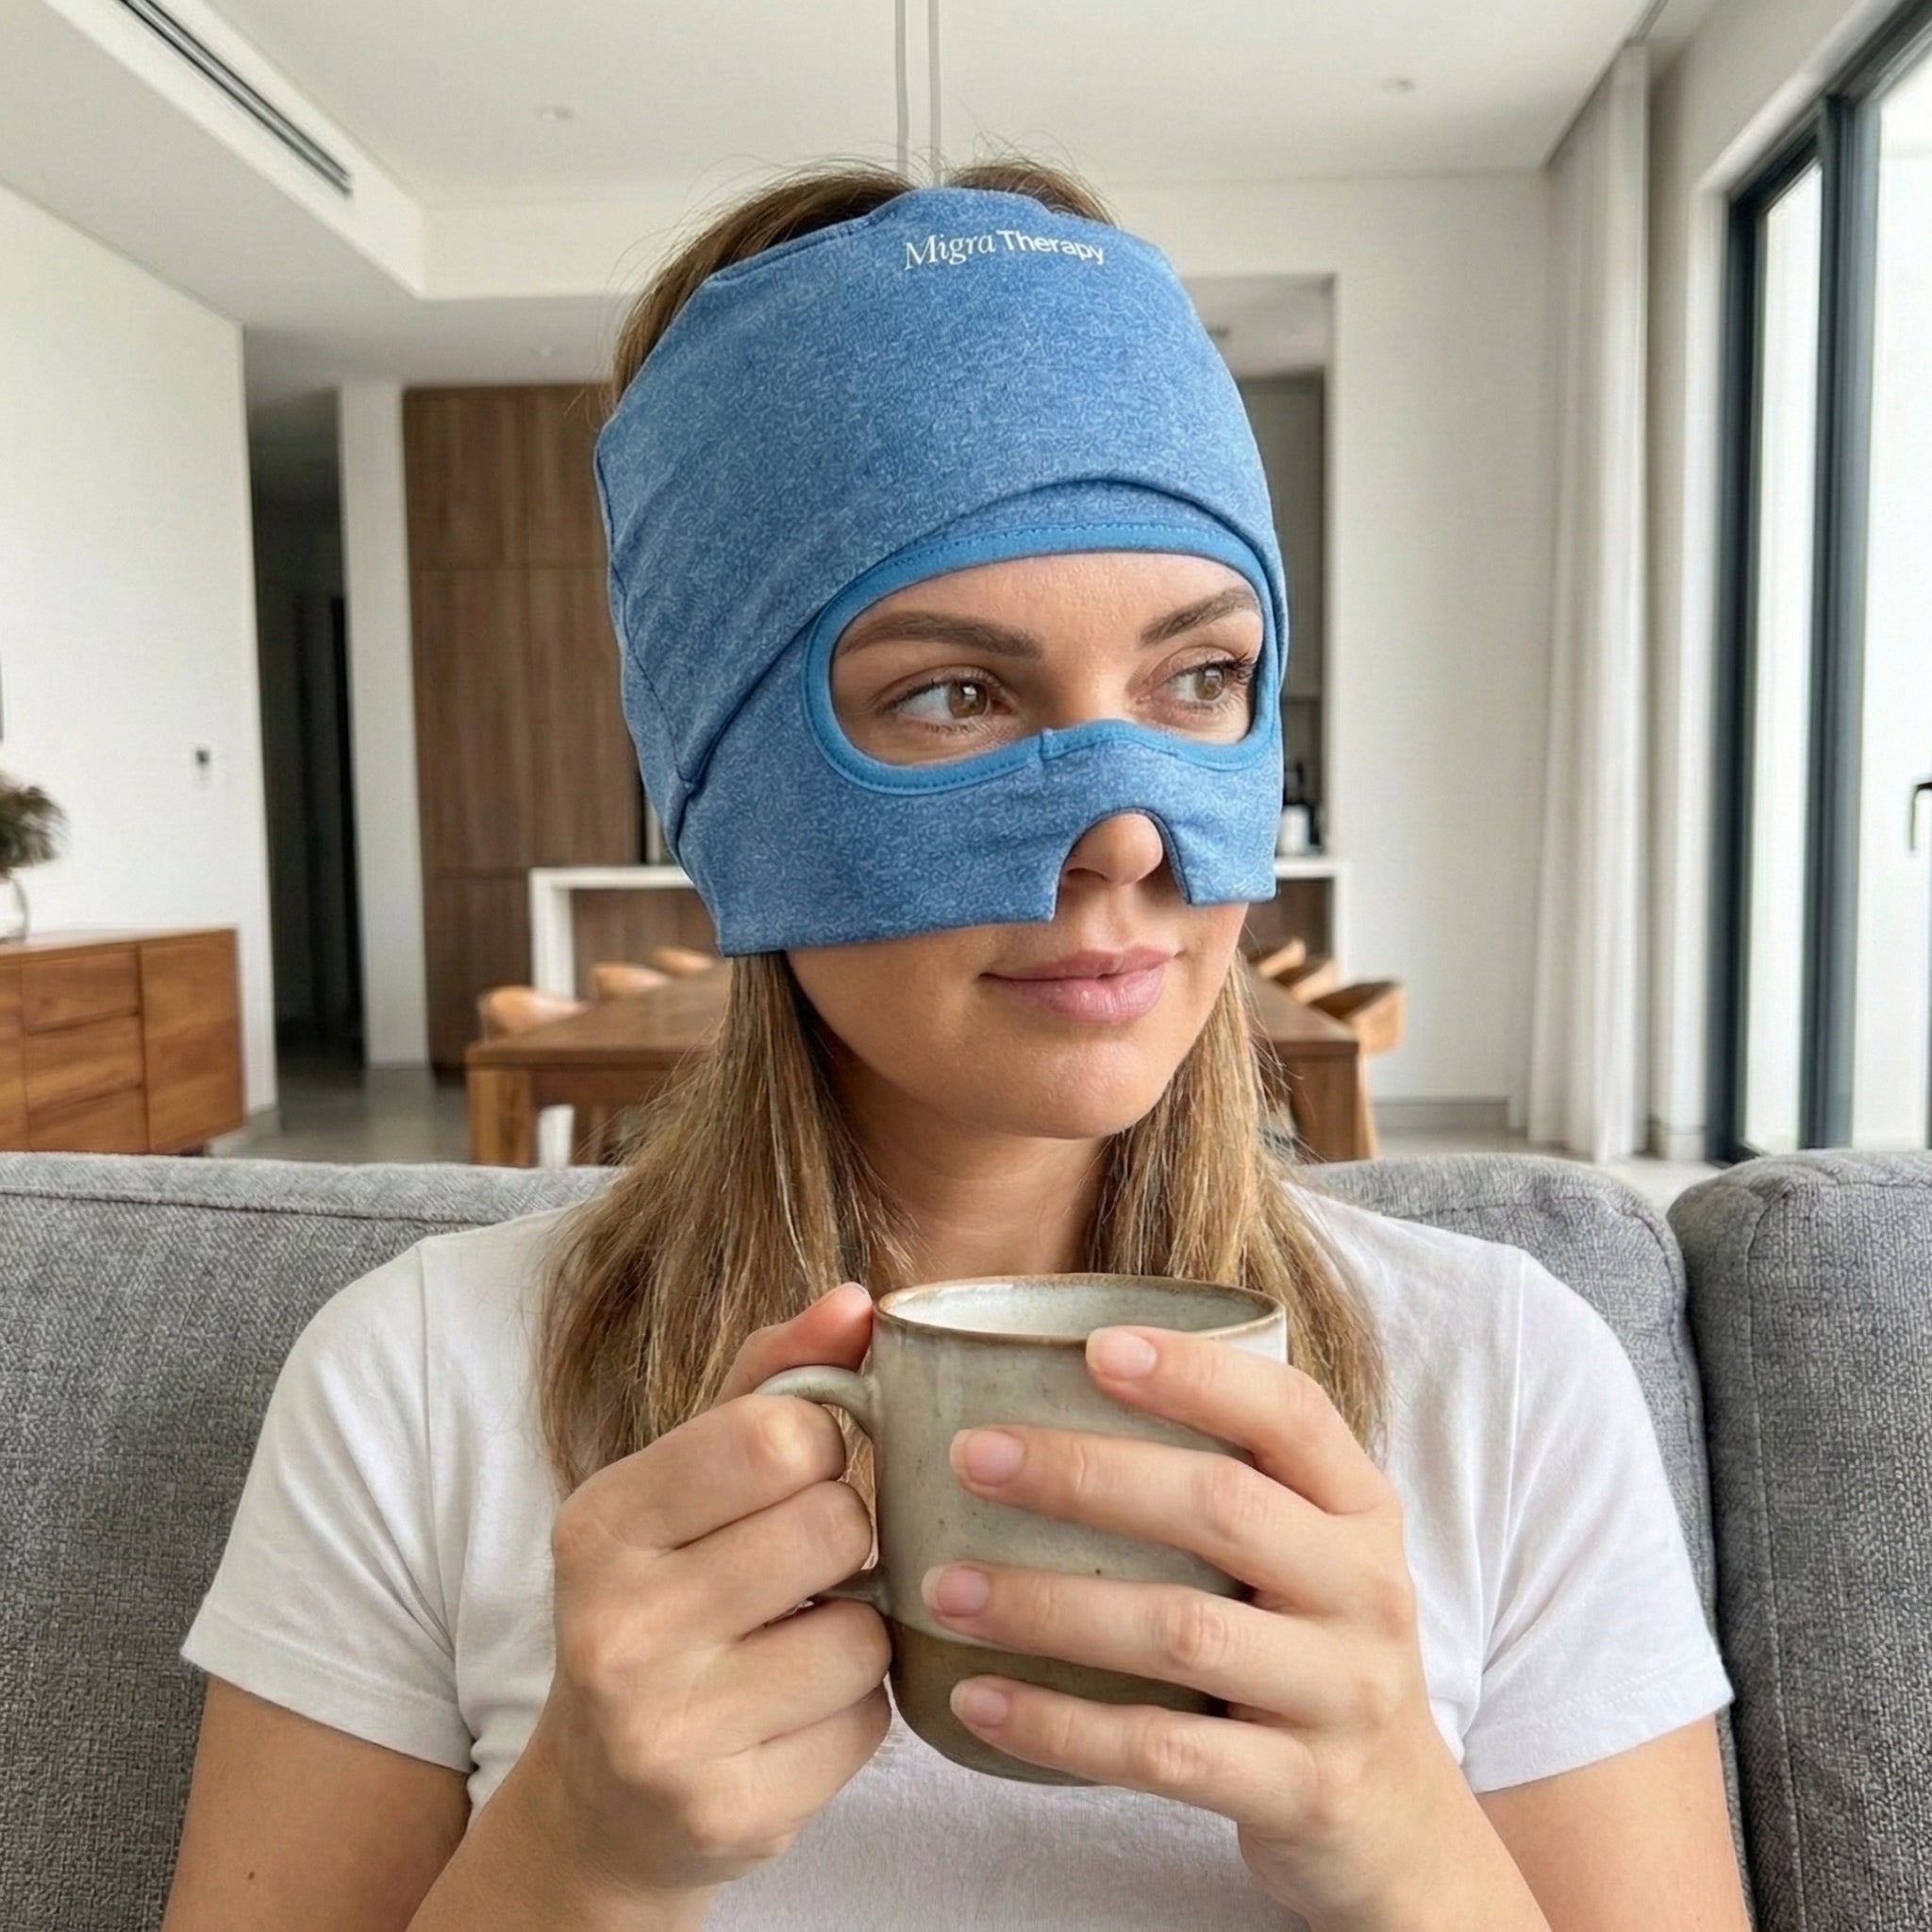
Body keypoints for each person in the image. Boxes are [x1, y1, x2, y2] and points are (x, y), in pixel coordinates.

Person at [160, 160, 1750, 1932]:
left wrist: (1402, 1835)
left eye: (1200, 678)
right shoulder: (414, 1392)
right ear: (730, 784)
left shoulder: (1507, 1385)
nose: (1128, 837)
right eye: (952, 694)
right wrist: (575, 1854)